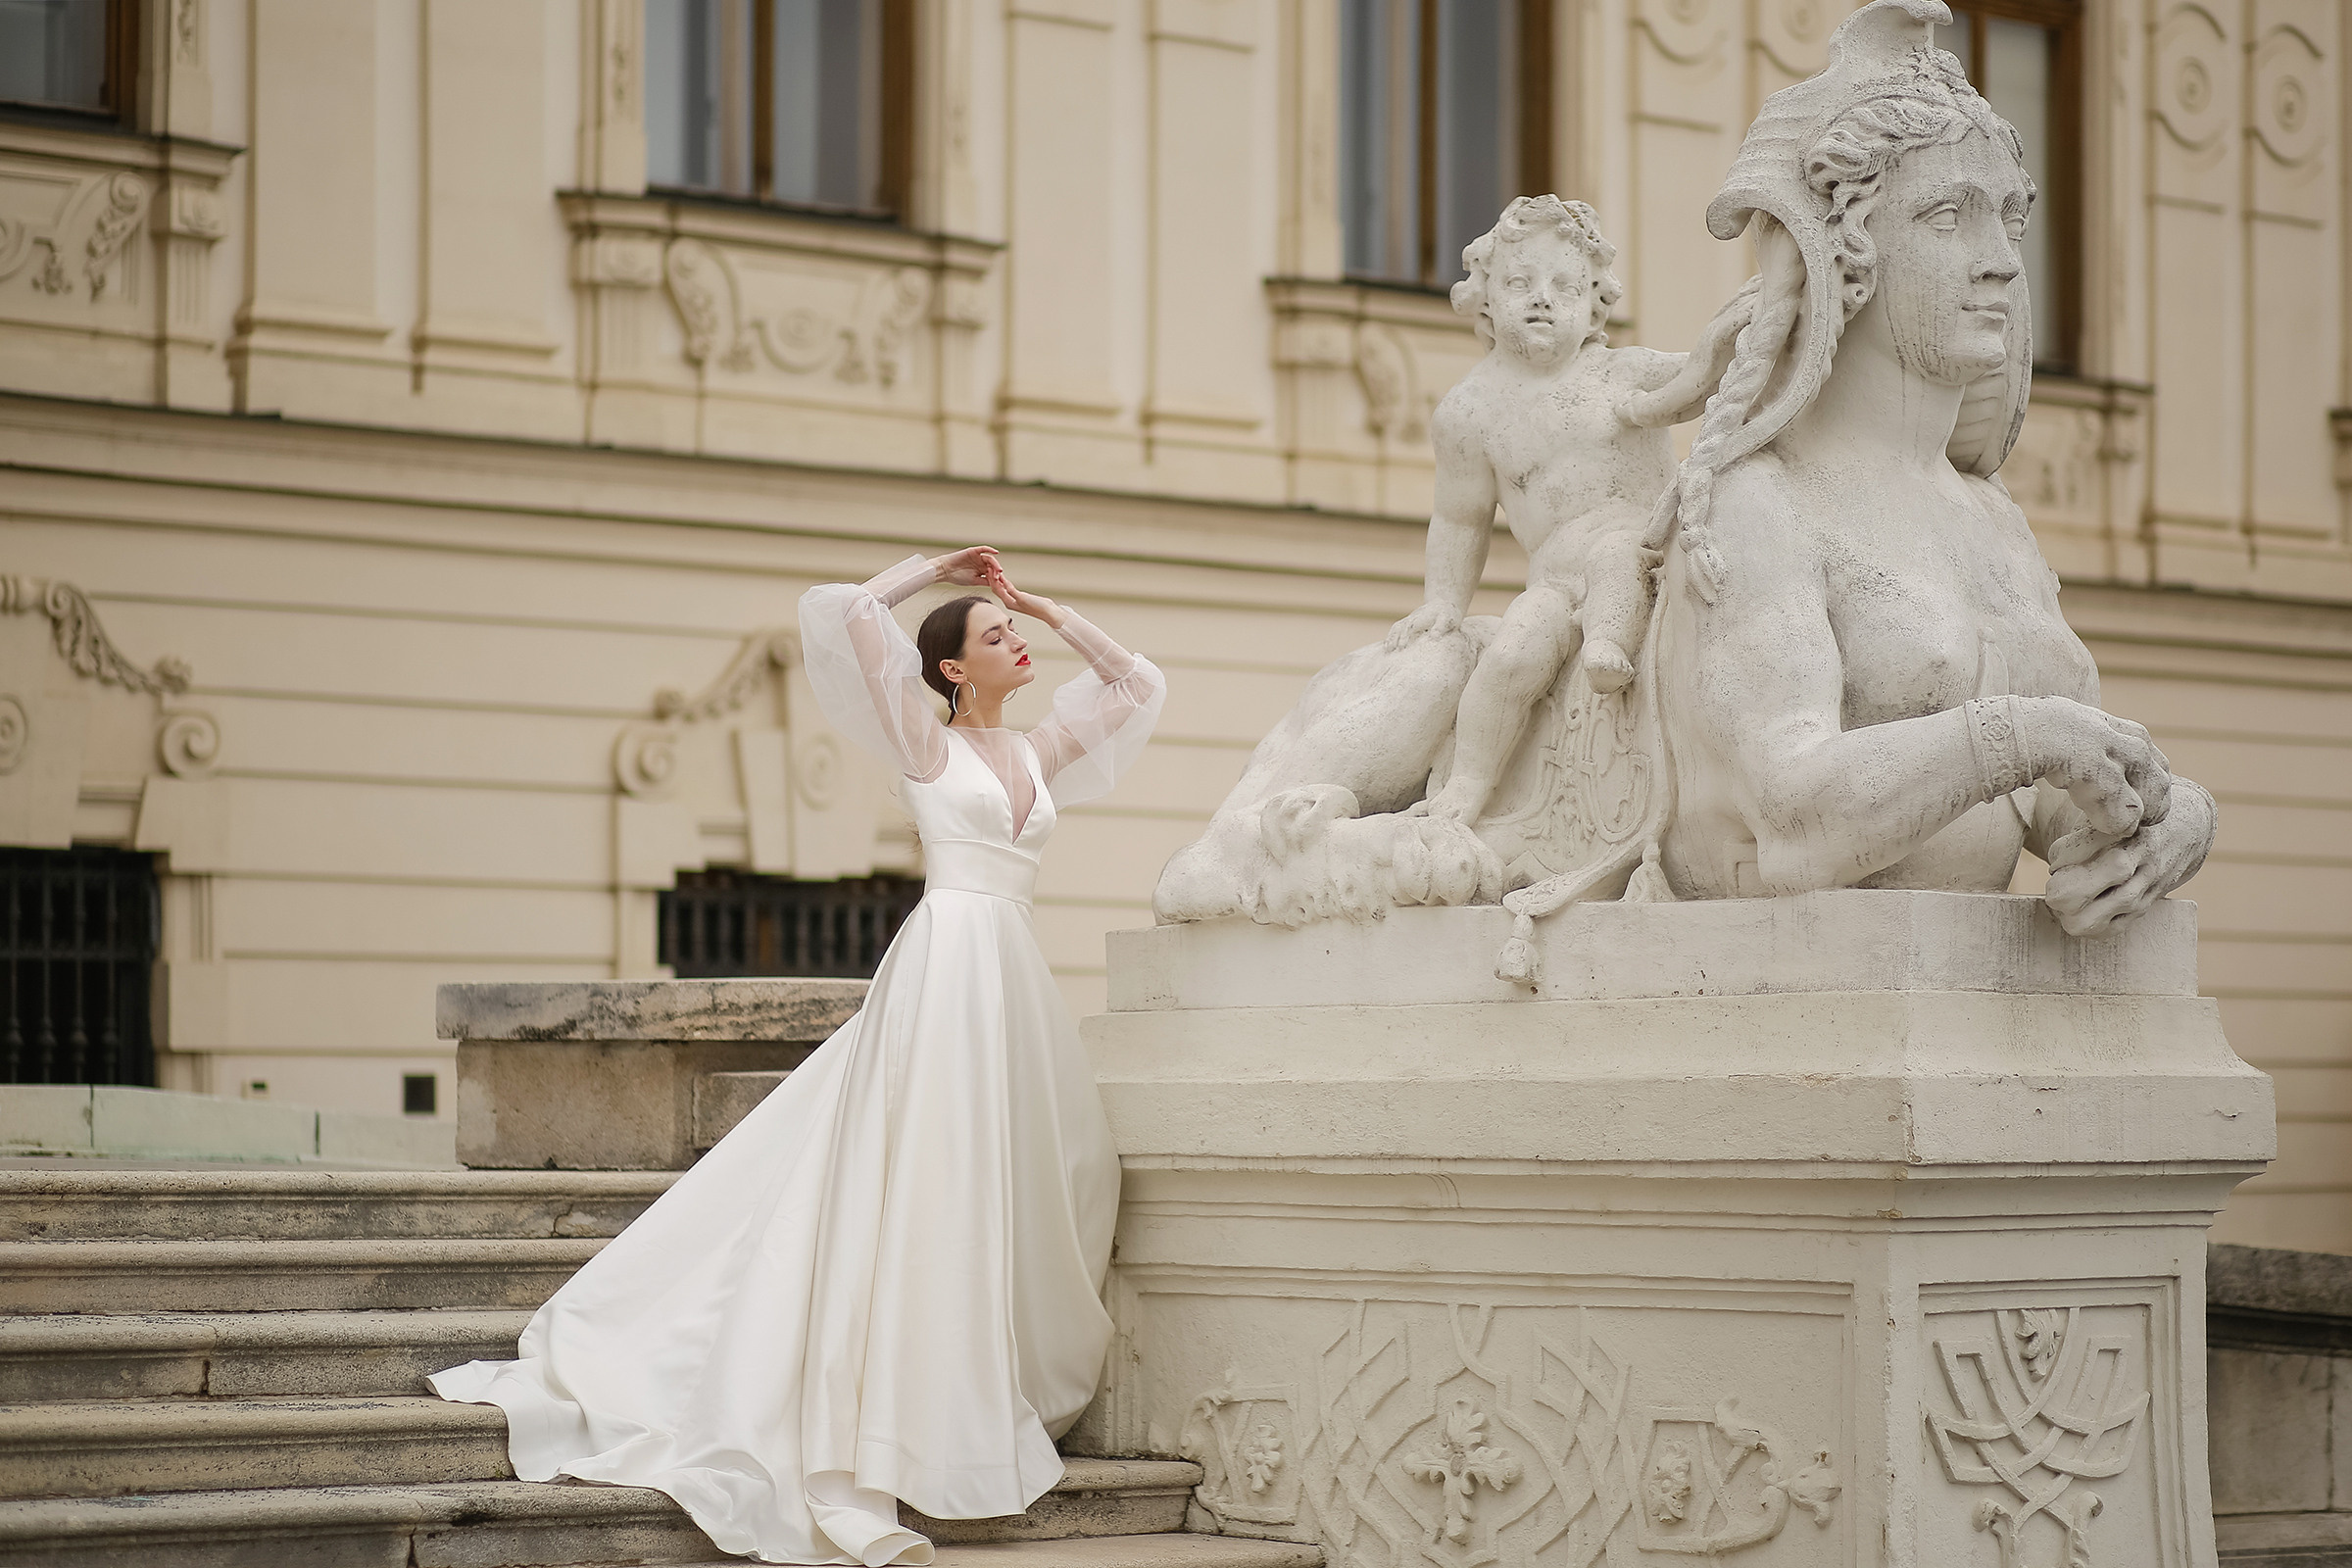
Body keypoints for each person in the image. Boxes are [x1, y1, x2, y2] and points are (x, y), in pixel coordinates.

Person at [428, 545, 1166, 1565]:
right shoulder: (923, 743)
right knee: (925, 1178)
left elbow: (1138, 683)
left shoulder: (1040, 756)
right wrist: (934, 569)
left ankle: (982, 1380)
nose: (1017, 642)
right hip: (946, 962)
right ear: (952, 670)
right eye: (997, 635)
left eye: (1015, 632)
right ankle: (898, 1421)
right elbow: (853, 612)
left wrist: (1046, 603)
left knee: (1062, 1165)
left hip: (1010, 974)